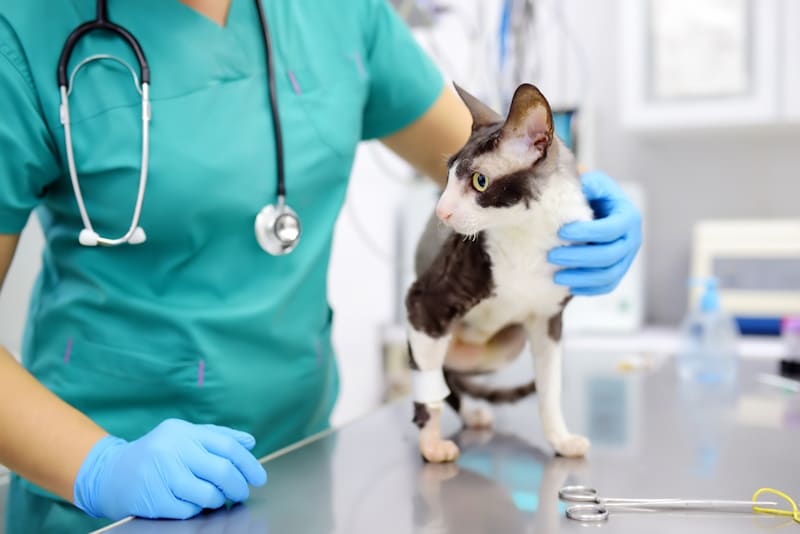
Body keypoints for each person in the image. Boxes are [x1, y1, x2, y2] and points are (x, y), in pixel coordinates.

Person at [0, 0, 642, 528]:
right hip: (95, 502)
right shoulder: (25, 30)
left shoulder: (339, 14)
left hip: (294, 476)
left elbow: (492, 162)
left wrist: (574, 205)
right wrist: (100, 468)